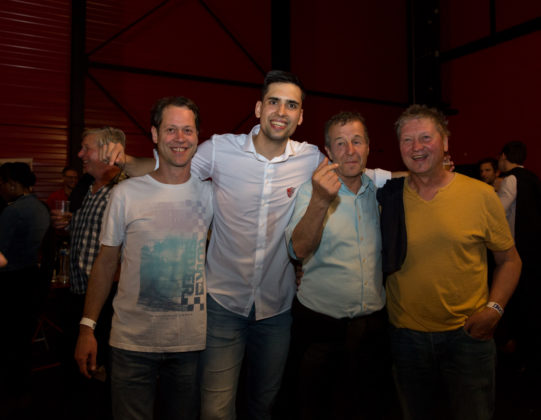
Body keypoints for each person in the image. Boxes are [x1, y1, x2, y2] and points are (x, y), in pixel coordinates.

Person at [100, 70, 392, 419]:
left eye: (291, 105)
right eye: (273, 102)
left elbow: (358, 170)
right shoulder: (220, 149)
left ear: (300, 116)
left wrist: (427, 174)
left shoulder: (311, 158)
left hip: (277, 308)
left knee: (263, 405)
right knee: (216, 409)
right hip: (223, 305)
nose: (281, 112)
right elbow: (171, 168)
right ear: (258, 108)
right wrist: (126, 161)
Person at [378, 105, 521, 420]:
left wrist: (494, 310)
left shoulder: (481, 195)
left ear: (445, 142)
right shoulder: (387, 197)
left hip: (467, 337)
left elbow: (510, 260)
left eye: (425, 137)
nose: (416, 147)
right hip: (405, 338)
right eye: (407, 140)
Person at [75, 97, 212, 420]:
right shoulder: (126, 194)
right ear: (154, 134)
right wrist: (87, 328)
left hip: (189, 344)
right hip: (131, 344)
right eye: (170, 129)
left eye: (187, 130)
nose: (180, 138)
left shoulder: (210, 195)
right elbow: (106, 263)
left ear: (197, 136)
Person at [283, 111, 389, 419]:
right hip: (321, 329)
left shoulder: (382, 192)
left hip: (372, 328)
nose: (350, 150)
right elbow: (297, 250)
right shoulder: (310, 191)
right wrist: (320, 200)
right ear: (328, 151)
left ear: (368, 146)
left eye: (357, 141)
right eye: (340, 143)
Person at [51, 127, 125, 409]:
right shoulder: (88, 188)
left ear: (109, 151)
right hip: (78, 294)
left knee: (104, 373)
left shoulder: (122, 192)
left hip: (107, 300)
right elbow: (93, 233)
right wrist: (69, 224)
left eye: (86, 149)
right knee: (75, 367)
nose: (80, 154)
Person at [0, 162, 50, 401]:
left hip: (11, 282)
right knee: (22, 337)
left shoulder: (13, 211)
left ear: (12, 184)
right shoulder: (41, 207)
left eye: (1, 183)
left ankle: (11, 388)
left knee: (10, 338)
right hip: (32, 279)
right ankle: (21, 386)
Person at [497, 140, 541, 372]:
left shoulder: (510, 179)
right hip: (534, 247)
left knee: (516, 299)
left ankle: (517, 349)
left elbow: (497, 211)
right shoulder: (533, 178)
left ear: (504, 156)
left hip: (517, 249)